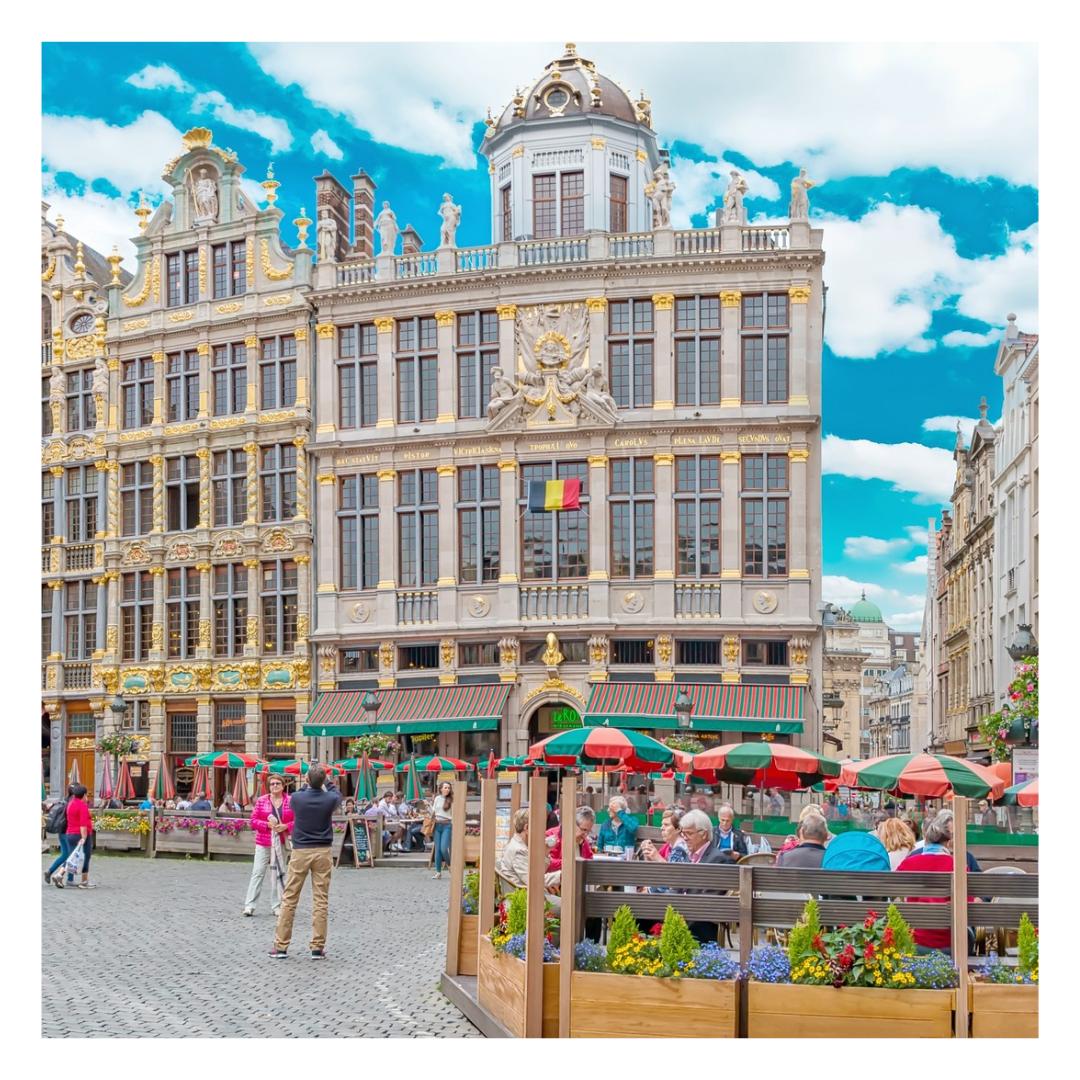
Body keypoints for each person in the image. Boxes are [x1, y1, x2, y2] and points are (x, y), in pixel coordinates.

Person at [270, 766, 341, 959]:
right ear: (323, 781)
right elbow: (336, 792)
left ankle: (281, 945)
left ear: (307, 781)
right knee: (320, 900)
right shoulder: (330, 799)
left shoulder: (297, 799)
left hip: (301, 850)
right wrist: (326, 781)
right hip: (322, 851)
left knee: (290, 897)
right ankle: (317, 947)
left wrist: (308, 781)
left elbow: (299, 792)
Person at [895, 809, 978, 956]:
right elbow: (969, 906)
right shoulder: (957, 866)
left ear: (925, 839)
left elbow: (896, 898)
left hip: (916, 942)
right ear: (947, 842)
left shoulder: (908, 864)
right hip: (950, 943)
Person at [245, 775, 294, 917]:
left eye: (278, 783)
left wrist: (286, 826)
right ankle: (249, 905)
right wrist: (266, 825)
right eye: (272, 784)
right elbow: (253, 821)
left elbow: (298, 821)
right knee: (258, 872)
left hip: (282, 842)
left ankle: (277, 906)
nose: (274, 786)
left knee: (279, 873)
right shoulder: (261, 801)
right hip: (263, 842)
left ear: (283, 785)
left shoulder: (291, 801)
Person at [56, 783, 95, 889]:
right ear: (84, 795)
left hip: (70, 833)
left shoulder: (71, 803)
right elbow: (83, 824)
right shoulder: (82, 806)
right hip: (79, 834)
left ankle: (60, 874)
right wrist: (84, 837)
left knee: (71, 857)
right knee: (86, 856)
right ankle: (84, 881)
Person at [546, 806, 595, 874]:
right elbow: (547, 863)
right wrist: (572, 863)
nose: (586, 835)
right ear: (573, 824)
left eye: (588, 831)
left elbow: (589, 860)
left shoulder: (583, 840)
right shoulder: (552, 835)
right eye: (583, 830)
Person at [44, 786, 73, 885]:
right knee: (71, 856)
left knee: (65, 855)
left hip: (61, 831)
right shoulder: (72, 803)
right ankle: (69, 879)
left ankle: (49, 871)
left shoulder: (63, 801)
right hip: (69, 832)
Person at [498, 808, 531, 889]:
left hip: (523, 893)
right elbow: (533, 880)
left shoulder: (514, 844)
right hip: (525, 897)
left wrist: (546, 852)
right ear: (526, 828)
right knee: (564, 901)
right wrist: (560, 876)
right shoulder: (519, 850)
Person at [431, 781, 453, 879]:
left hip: (447, 825)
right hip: (437, 825)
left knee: (444, 848)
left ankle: (450, 864)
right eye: (445, 787)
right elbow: (433, 811)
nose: (447, 789)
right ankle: (438, 872)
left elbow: (455, 814)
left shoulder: (452, 800)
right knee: (438, 850)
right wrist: (427, 806)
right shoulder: (437, 798)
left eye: (448, 788)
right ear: (441, 789)